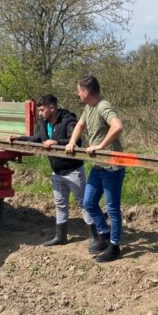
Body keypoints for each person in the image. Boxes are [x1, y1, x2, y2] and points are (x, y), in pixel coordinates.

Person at [8, 95, 96, 246]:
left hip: (73, 170)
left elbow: (75, 141)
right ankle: (61, 236)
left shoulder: (68, 121)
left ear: (52, 108)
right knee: (60, 204)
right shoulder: (44, 124)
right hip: (57, 172)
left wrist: (56, 142)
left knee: (84, 204)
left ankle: (95, 237)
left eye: (42, 110)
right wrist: (18, 138)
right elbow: (37, 139)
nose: (40, 113)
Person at [65, 76, 125, 263]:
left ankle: (114, 246)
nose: (77, 93)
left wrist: (101, 146)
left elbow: (118, 126)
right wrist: (72, 142)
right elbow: (80, 125)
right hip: (99, 166)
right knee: (88, 202)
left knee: (113, 208)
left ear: (86, 91)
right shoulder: (88, 107)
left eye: (78, 90)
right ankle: (104, 235)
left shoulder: (102, 106)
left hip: (112, 166)